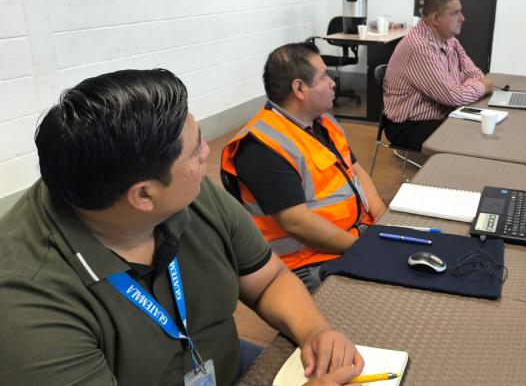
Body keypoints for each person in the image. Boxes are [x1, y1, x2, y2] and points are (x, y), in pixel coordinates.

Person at [0, 69, 363, 385]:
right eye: (194, 151)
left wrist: (315, 331)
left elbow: (267, 279)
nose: (207, 152)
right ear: (143, 195)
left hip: (222, 366)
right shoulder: (28, 303)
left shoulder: (188, 193)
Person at [221, 42, 386, 293]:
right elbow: (297, 223)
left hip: (352, 238)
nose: (333, 83)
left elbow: (357, 171)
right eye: (324, 77)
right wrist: (363, 247)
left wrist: (383, 219)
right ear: (299, 88)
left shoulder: (321, 121)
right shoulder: (262, 147)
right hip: (309, 262)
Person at [382, 0, 494, 151]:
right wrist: (483, 86)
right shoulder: (419, 47)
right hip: (409, 125)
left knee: (480, 130)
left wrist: (464, 88)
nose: (462, 18)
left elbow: (474, 74)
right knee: (473, 139)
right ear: (435, 18)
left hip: (443, 113)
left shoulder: (450, 41)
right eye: (455, 13)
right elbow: (453, 95)